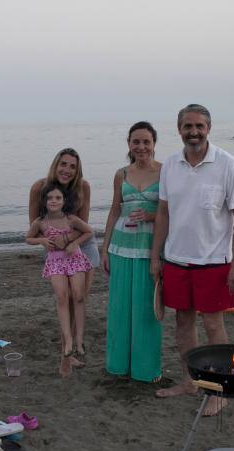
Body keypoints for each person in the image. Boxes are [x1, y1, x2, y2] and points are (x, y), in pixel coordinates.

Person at [150, 104, 234, 416]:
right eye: (188, 126)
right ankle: (190, 381)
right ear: (179, 129)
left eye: (199, 126)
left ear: (208, 128)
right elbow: (163, 213)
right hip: (176, 259)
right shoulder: (170, 165)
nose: (193, 132)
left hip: (214, 261)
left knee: (213, 324)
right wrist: (156, 256)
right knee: (183, 323)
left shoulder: (227, 164)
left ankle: (219, 390)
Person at [101, 121, 162, 382]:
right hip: (120, 247)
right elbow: (114, 211)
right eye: (136, 141)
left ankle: (146, 370)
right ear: (129, 144)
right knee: (119, 308)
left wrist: (150, 215)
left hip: (150, 249)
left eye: (146, 141)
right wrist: (104, 249)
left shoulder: (166, 172)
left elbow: (173, 211)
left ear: (154, 144)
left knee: (146, 310)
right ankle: (117, 365)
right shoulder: (121, 174)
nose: (141, 146)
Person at [26, 182, 93, 377]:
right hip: (55, 262)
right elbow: (28, 238)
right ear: (44, 201)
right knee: (62, 298)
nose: (53, 201)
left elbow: (89, 231)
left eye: (58, 198)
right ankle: (68, 340)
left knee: (78, 296)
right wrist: (41, 240)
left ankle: (79, 339)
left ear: (64, 201)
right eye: (49, 198)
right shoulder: (40, 222)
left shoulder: (71, 219)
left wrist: (74, 242)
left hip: (75, 259)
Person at [29, 148, 100, 293]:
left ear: (77, 171)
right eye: (63, 164)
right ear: (55, 165)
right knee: (64, 296)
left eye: (72, 167)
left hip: (83, 244)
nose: (67, 170)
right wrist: (48, 241)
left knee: (80, 296)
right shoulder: (38, 188)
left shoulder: (83, 187)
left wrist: (67, 239)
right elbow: (34, 226)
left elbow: (83, 226)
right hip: (56, 248)